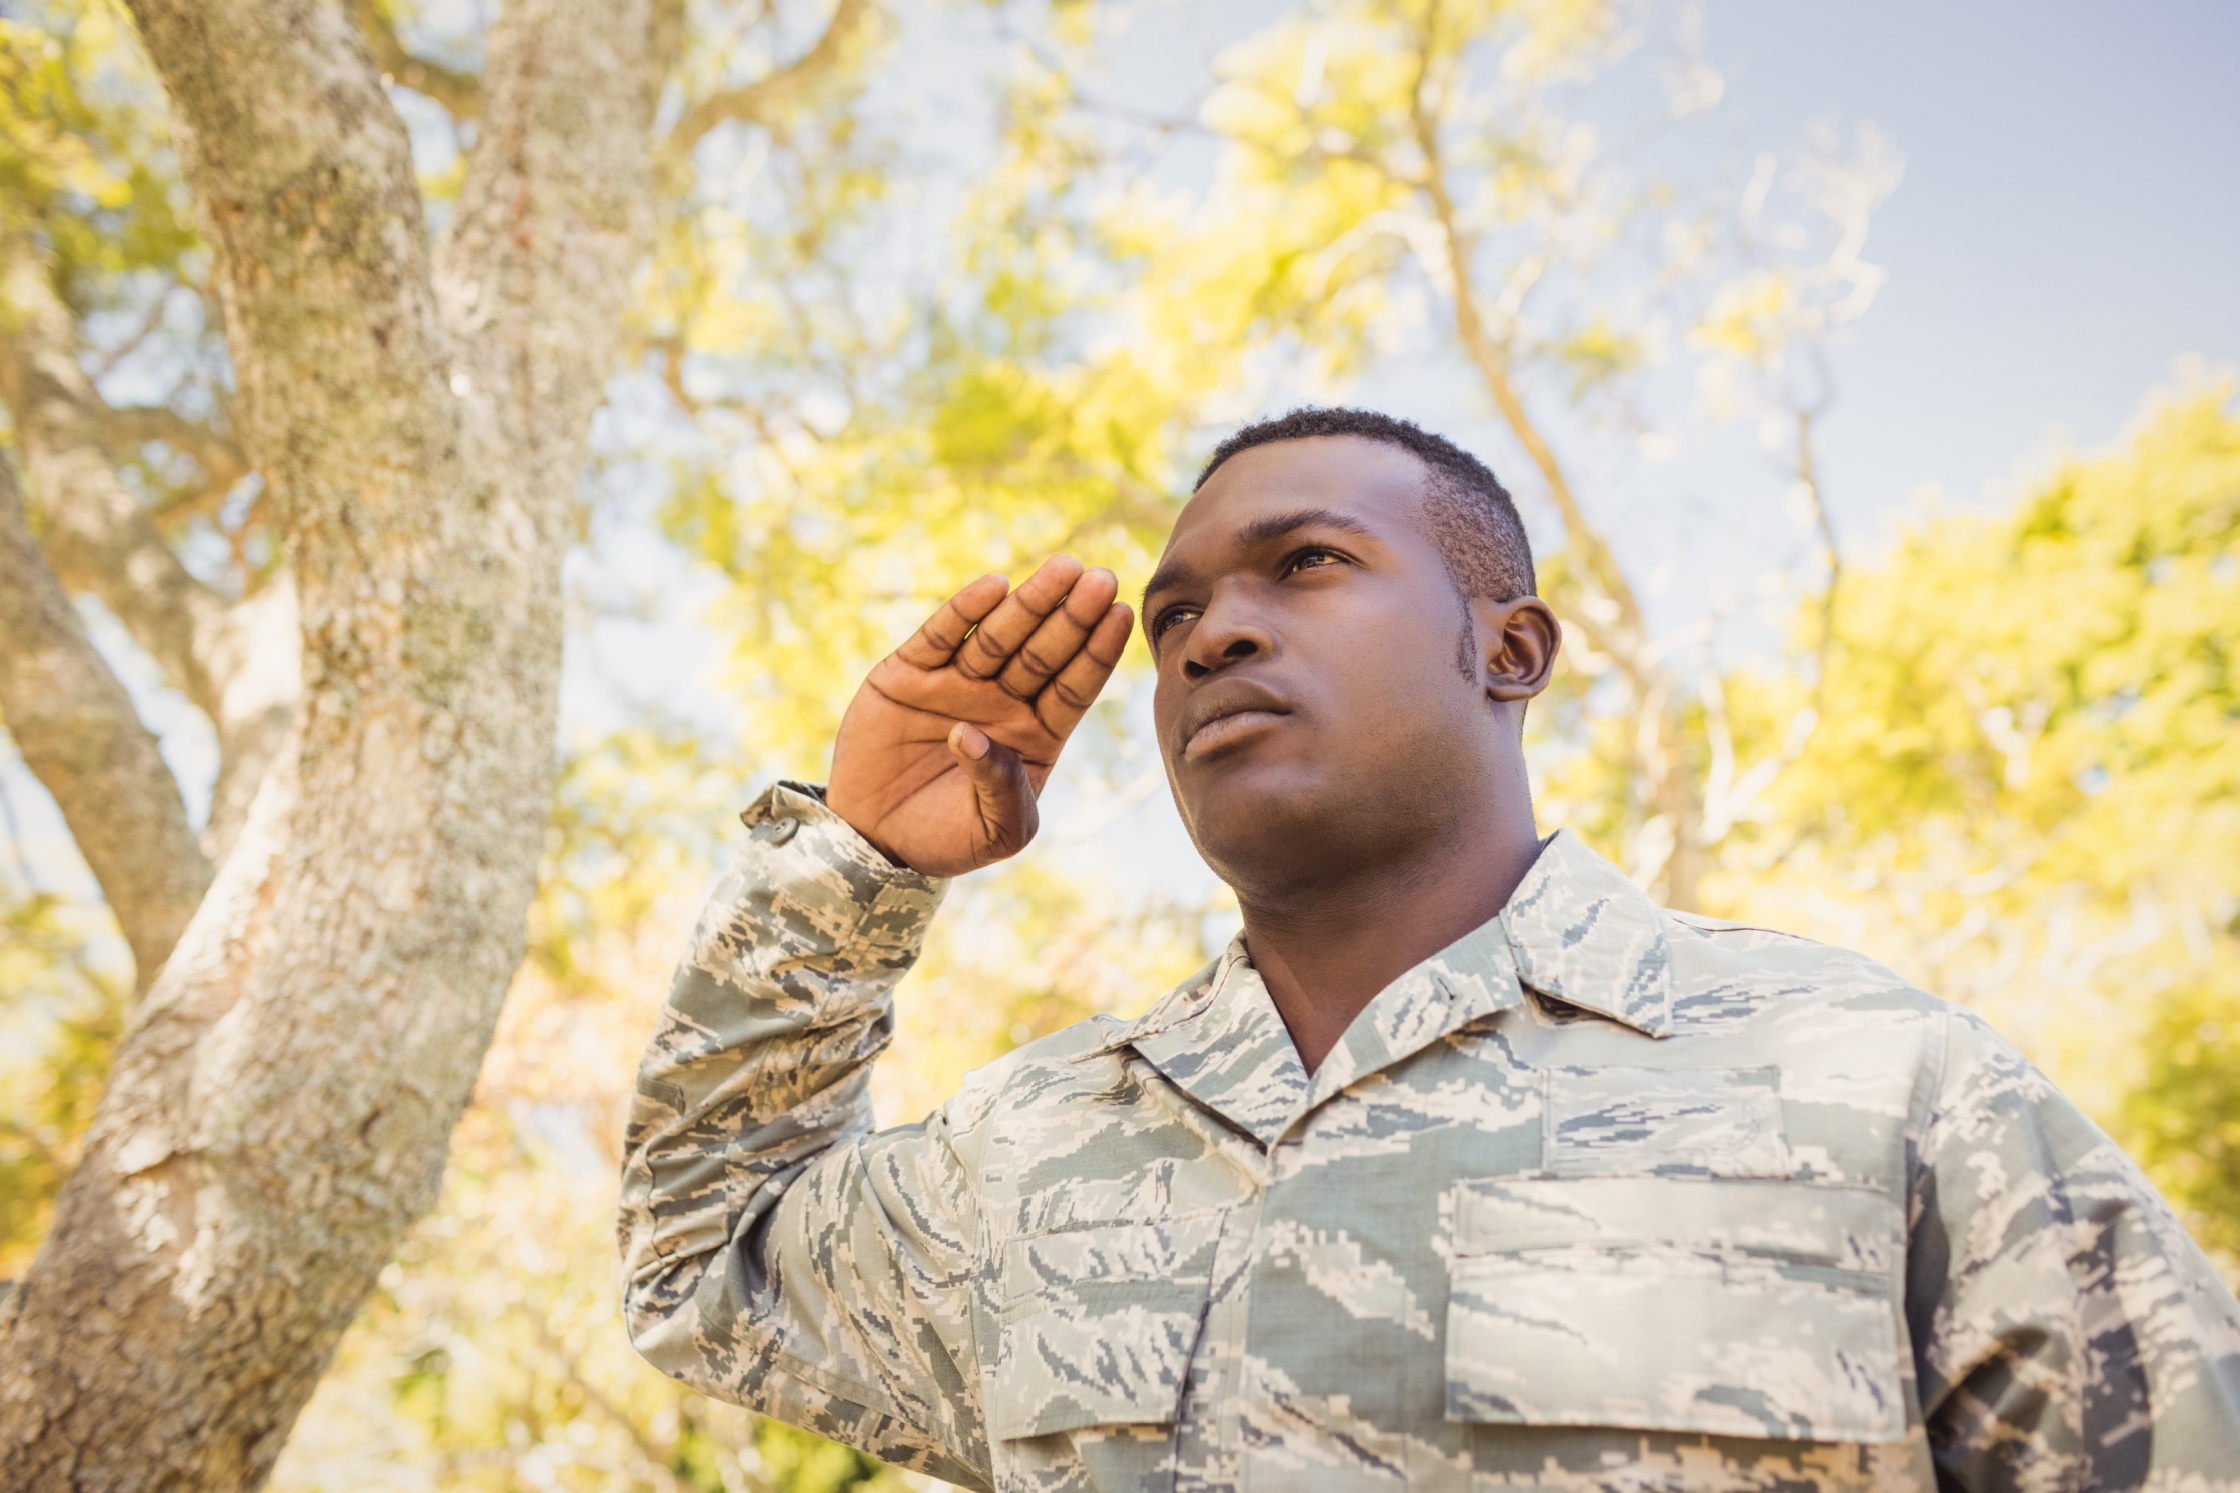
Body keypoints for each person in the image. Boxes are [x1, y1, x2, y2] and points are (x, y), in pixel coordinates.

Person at [618, 407, 2240, 1492]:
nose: (1213, 637)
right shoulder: (1031, 1150)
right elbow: (702, 1261)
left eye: (1306, 564)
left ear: (1511, 647)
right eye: (1172, 621)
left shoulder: (1876, 1085)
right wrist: (855, 864)